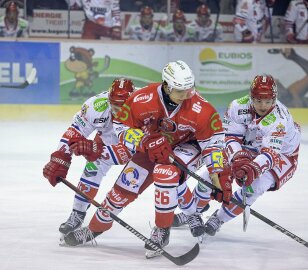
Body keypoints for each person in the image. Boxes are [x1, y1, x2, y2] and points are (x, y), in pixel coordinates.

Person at [61, 60, 231, 259]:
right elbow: (122, 127)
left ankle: (162, 230)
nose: (187, 95)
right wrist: (144, 141)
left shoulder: (202, 109)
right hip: (151, 146)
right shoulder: (142, 98)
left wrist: (218, 179)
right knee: (120, 192)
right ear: (167, 86)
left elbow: (213, 146)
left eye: (189, 88)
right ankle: (93, 229)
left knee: (165, 173)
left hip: (188, 147)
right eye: (180, 90)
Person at [185, 75, 301, 236]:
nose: (263, 105)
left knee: (254, 188)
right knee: (213, 173)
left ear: (275, 99)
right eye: (258, 100)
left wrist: (251, 168)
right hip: (249, 145)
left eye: (268, 101)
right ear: (251, 97)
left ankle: (219, 218)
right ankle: (192, 211)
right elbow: (230, 137)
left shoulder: (279, 119)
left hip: (283, 154)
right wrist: (238, 158)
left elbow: (270, 154)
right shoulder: (237, 106)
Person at [42, 78, 136, 237]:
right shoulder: (96, 105)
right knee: (90, 172)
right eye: (114, 105)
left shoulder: (144, 104)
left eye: (123, 106)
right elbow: (74, 132)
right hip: (107, 144)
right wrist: (60, 158)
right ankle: (78, 213)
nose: (118, 111)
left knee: (160, 178)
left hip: (138, 149)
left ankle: (188, 213)